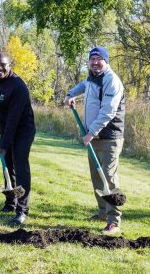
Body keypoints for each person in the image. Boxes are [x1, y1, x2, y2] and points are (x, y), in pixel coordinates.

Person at [64, 46, 125, 235]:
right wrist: (70, 94)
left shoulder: (111, 81)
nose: (95, 62)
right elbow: (83, 85)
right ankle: (102, 212)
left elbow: (108, 111)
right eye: (92, 59)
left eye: (99, 59)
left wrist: (91, 133)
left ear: (106, 61)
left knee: (108, 177)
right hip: (93, 136)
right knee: (96, 177)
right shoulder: (92, 77)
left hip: (109, 136)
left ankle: (113, 220)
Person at [0, 52, 36, 225]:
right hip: (5, 128)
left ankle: (22, 210)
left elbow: (14, 119)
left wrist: (5, 144)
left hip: (23, 130)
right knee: (7, 165)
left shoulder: (18, 86)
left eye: (3, 65)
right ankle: (10, 203)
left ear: (9, 66)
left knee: (20, 167)